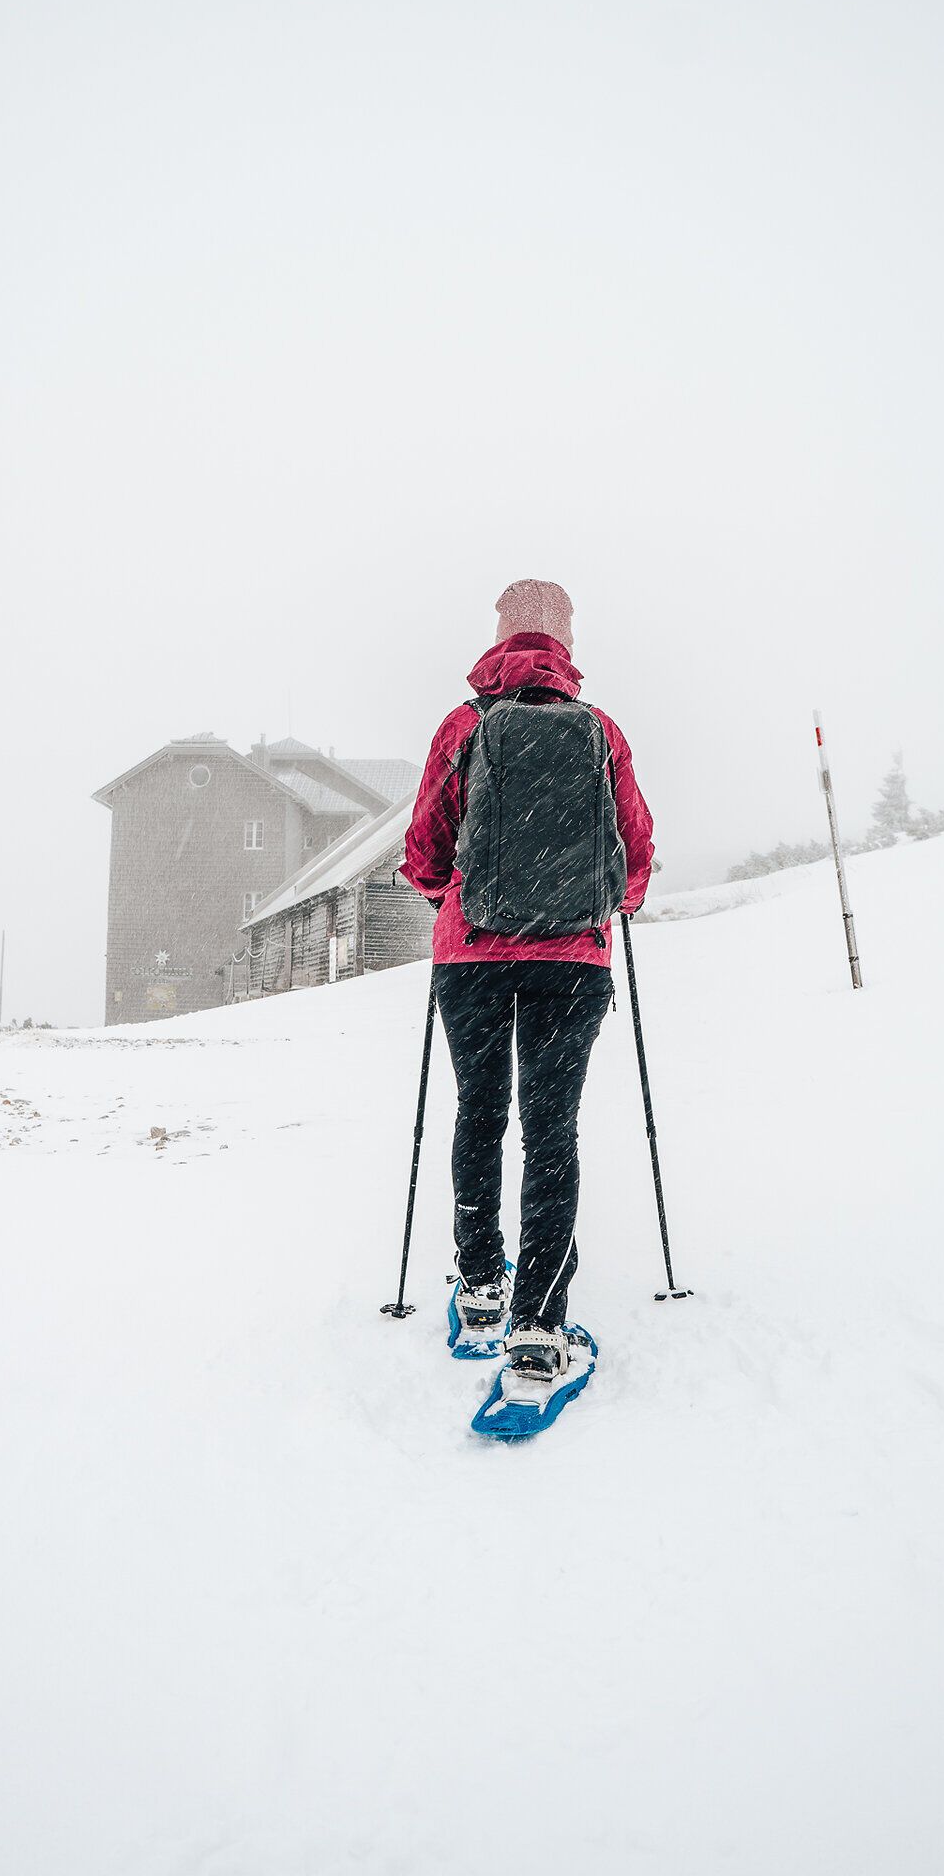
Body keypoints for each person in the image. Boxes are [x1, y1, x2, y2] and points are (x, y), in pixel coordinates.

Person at [400, 579, 654, 1378]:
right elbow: (636, 855)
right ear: (566, 646)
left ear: (499, 638)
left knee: (480, 1114)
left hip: (470, 959)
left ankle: (478, 1284)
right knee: (551, 1135)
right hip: (571, 964)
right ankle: (538, 1325)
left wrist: (465, 901)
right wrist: (598, 906)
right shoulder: (600, 732)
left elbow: (423, 853)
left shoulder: (463, 726)